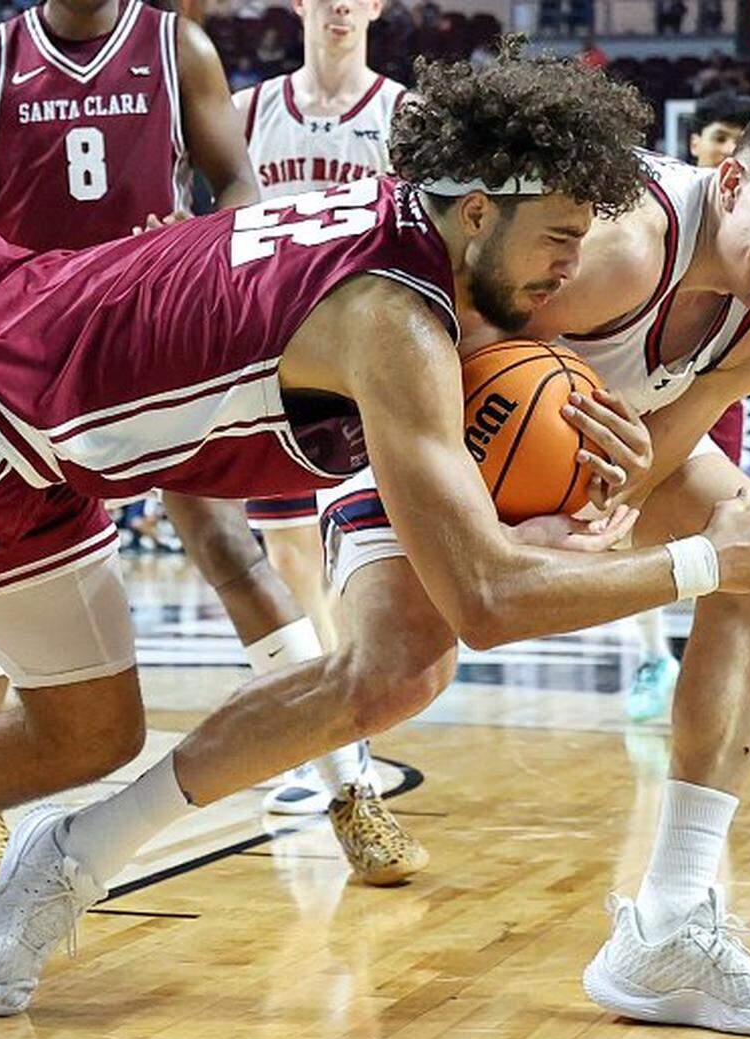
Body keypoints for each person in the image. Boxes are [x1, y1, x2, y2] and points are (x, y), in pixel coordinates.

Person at [0, 48, 750, 1021]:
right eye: (559, 240)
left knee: (89, 731)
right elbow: (487, 604)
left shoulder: (417, 240)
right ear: (478, 212)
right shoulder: (392, 317)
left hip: (49, 462)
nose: (570, 272)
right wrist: (706, 562)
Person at [0, 0, 314, 888]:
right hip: (22, 347)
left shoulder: (177, 47)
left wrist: (203, 243)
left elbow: (239, 189)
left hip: (145, 333)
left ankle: (348, 781)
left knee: (228, 549)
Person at [228, 0, 419, 845]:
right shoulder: (246, 112)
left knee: (355, 559)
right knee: (289, 558)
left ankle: (344, 722)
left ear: (376, 7)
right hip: (272, 356)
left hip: (367, 358)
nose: (341, 4)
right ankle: (328, 738)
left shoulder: (405, 114)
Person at [624, 89, 750, 724]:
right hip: (635, 373)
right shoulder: (657, 210)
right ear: (697, 143)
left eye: (740, 136)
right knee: (627, 520)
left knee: (717, 521)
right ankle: (652, 655)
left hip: (712, 383)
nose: (731, 146)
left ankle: (698, 655)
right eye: (722, 136)